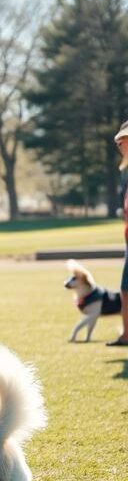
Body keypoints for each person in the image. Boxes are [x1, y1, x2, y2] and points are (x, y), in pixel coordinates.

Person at [107, 121, 128, 347]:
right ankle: (126, 334)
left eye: (124, 140)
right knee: (125, 288)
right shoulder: (125, 171)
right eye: (119, 141)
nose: (120, 144)